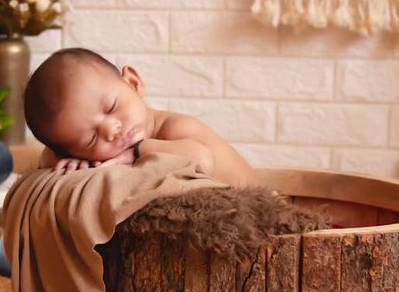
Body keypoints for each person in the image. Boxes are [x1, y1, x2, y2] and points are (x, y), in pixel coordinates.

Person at [24, 48, 258, 187]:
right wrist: (73, 162)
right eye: (91, 139)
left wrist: (138, 150)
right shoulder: (100, 157)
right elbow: (46, 158)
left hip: (267, 222)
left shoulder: (173, 129)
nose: (110, 129)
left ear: (133, 83)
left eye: (111, 108)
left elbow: (202, 160)